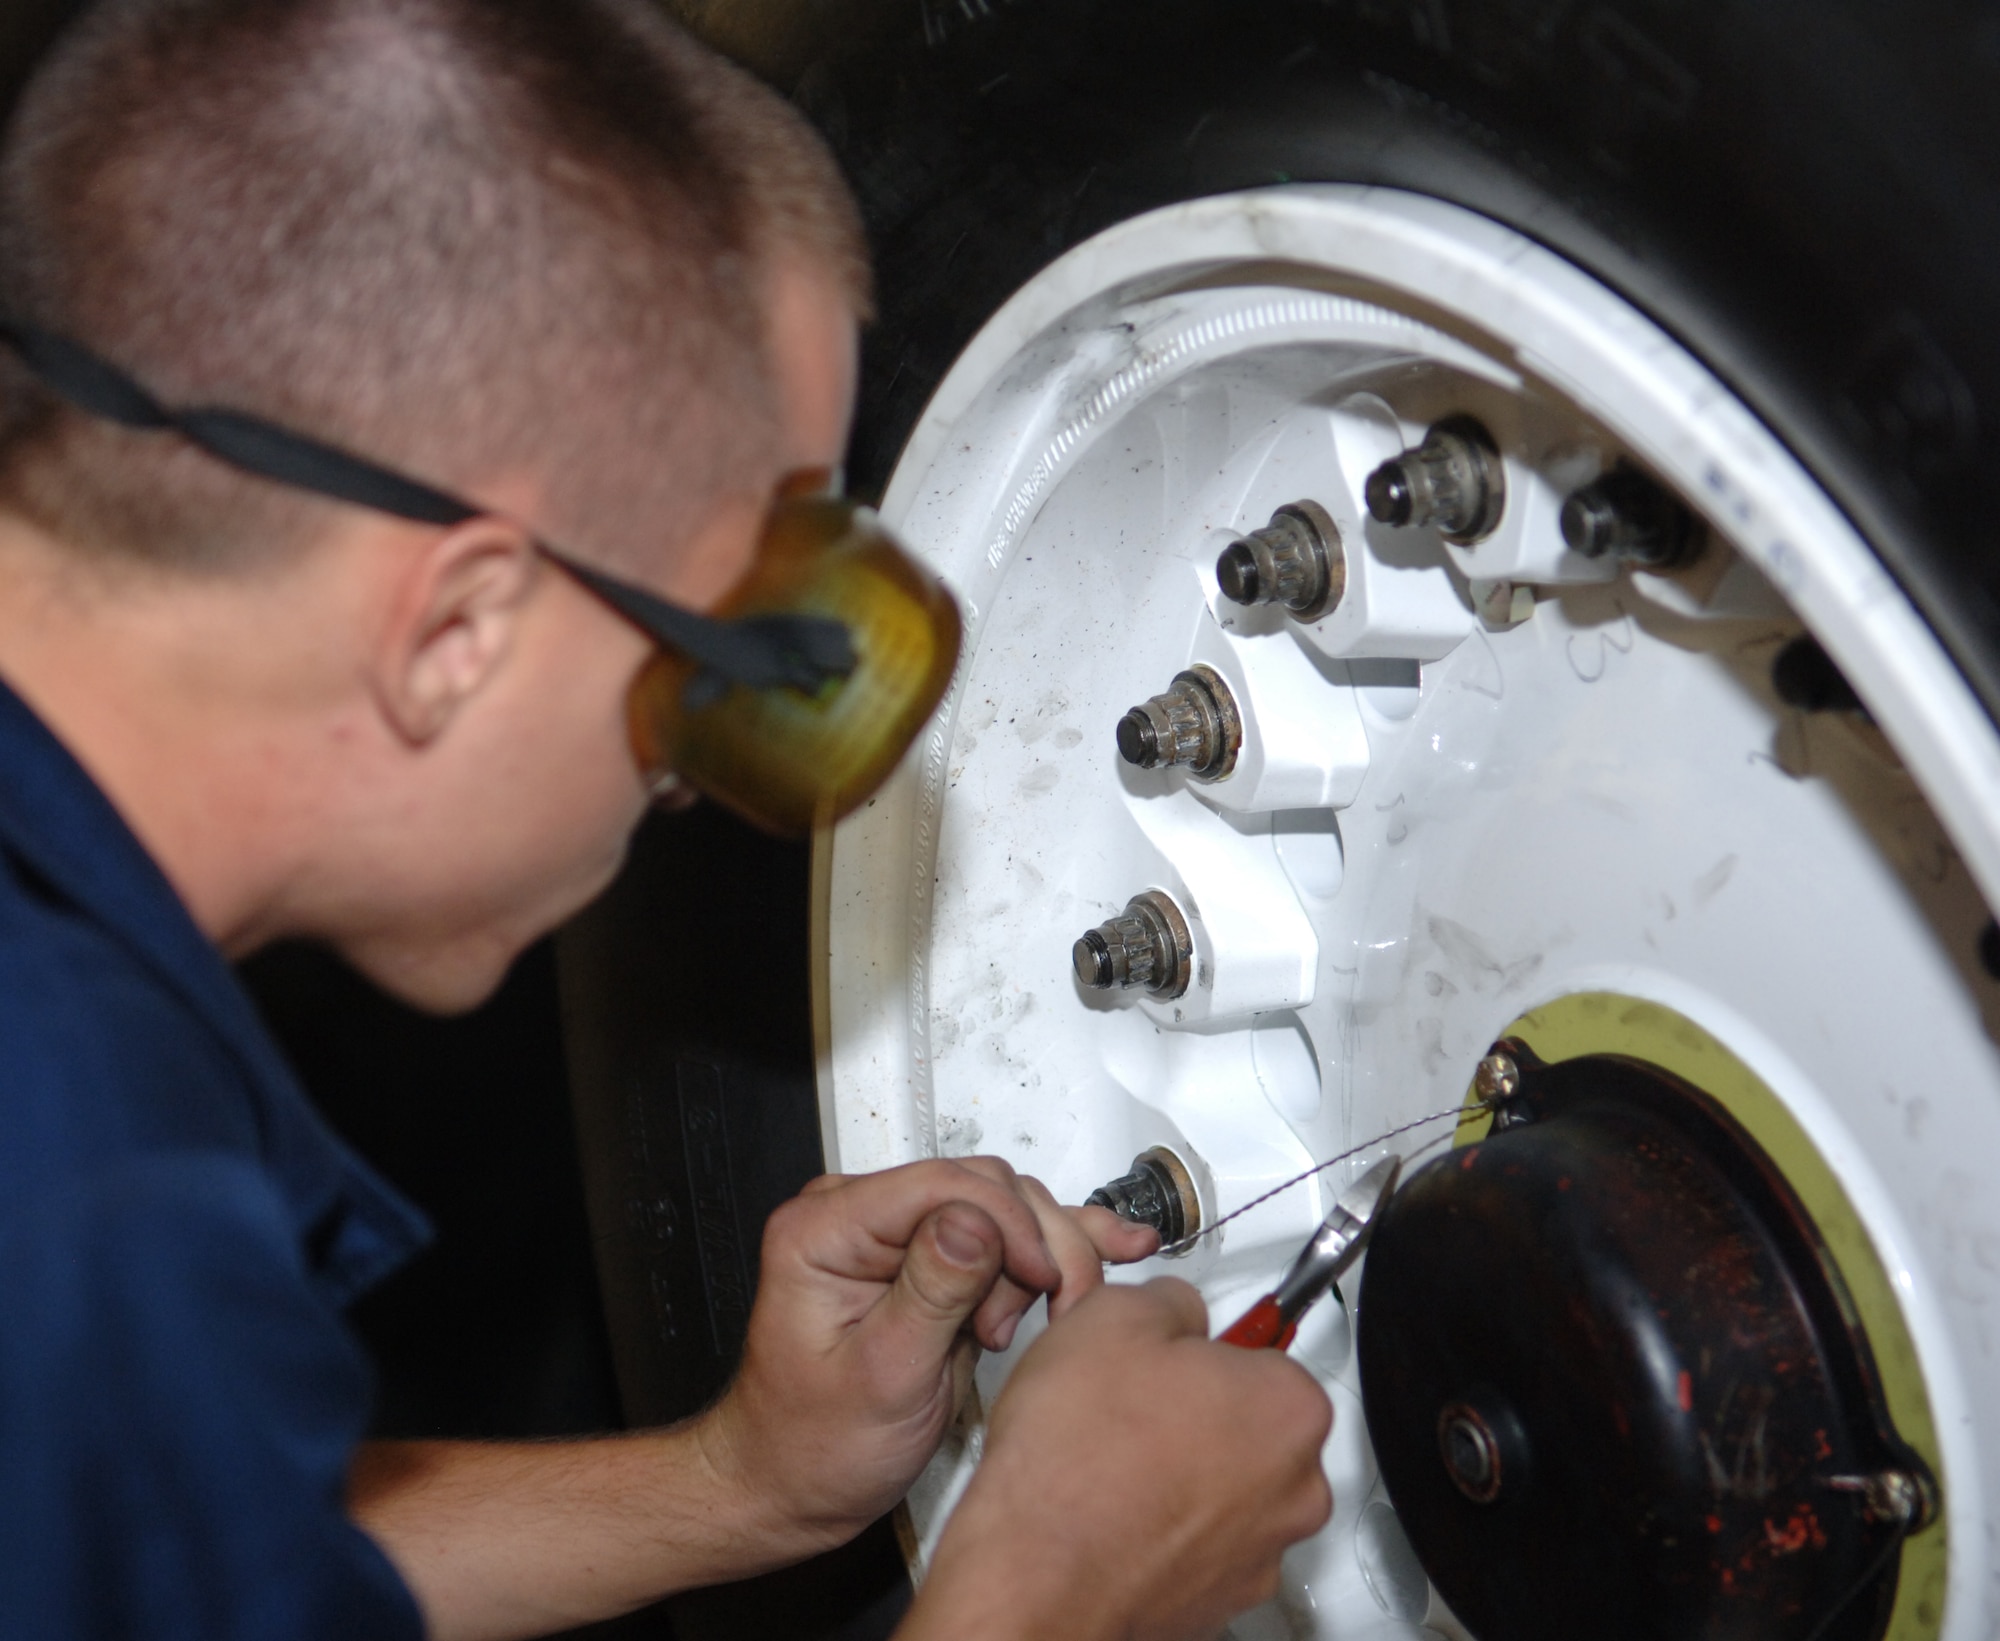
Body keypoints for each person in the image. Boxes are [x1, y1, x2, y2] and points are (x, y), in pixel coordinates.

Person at [0, 1, 1334, 1637]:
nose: (699, 786)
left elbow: (157, 1556)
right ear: (457, 632)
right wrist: (1053, 1588)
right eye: (739, 658)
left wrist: (739, 1481)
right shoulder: (82, 1195)